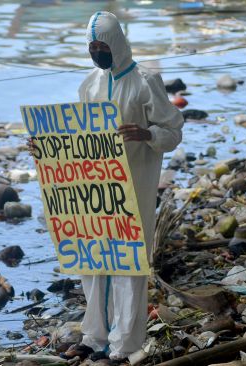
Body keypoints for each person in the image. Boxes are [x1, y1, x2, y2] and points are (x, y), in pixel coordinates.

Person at [60, 11, 184, 361]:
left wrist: (147, 134)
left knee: (128, 262)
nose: (98, 52)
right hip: (96, 187)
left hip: (134, 185)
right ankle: (94, 335)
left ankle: (124, 343)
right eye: (92, 46)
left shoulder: (146, 81)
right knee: (93, 257)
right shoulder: (90, 84)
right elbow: (77, 136)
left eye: (103, 45)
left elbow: (173, 131)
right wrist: (46, 146)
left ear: (117, 44)